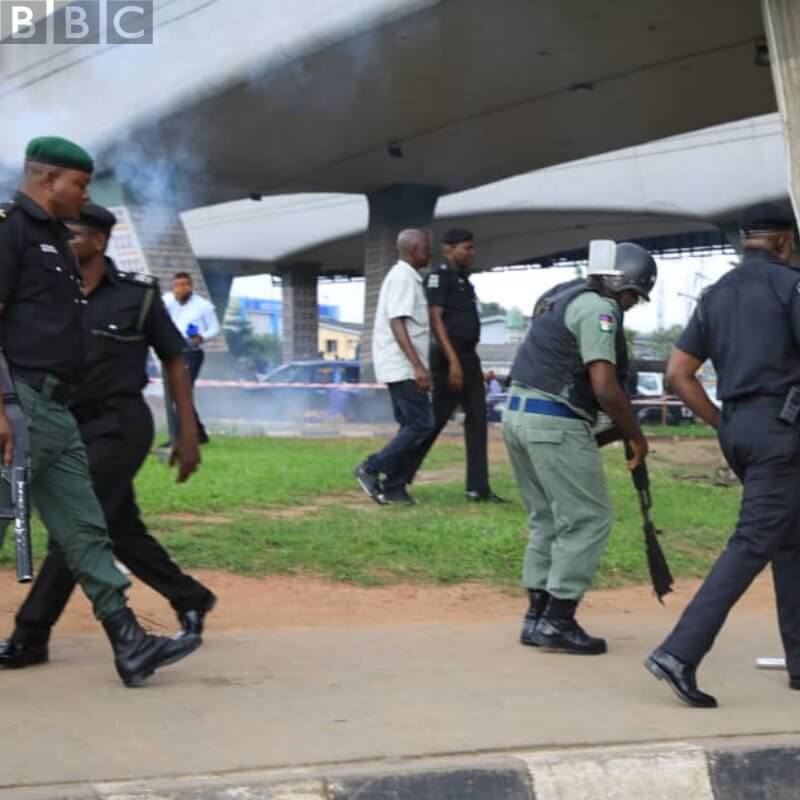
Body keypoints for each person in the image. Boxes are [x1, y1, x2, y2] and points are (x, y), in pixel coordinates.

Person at [0, 136, 200, 686]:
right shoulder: (9, 229)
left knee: (85, 533)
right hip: (21, 403)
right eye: (79, 184)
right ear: (47, 181)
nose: (84, 194)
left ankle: (131, 645)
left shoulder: (54, 242)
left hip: (60, 410)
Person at [646, 203, 800, 708]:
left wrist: (721, 421)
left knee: (789, 541)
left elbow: (679, 373)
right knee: (754, 541)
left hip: (739, 428)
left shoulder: (715, 295)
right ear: (783, 242)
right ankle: (679, 652)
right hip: (785, 430)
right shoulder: (791, 284)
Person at [503, 242, 655, 655]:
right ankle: (558, 620)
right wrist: (636, 436)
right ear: (621, 285)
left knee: (545, 518)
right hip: (553, 420)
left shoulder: (560, 296)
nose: (632, 306)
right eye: (633, 297)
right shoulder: (598, 310)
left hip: (517, 414)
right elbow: (605, 387)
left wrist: (613, 432)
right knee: (589, 518)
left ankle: (535, 618)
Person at [405, 229, 504, 503]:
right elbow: (436, 322)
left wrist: (467, 363)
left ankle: (478, 487)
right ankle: (398, 475)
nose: (471, 253)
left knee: (478, 422)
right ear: (448, 248)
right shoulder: (439, 278)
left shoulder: (464, 281)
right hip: (449, 358)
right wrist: (454, 363)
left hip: (468, 357)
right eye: (466, 248)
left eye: (472, 248)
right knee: (433, 421)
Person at [354, 229, 434, 505]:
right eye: (426, 247)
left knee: (410, 426)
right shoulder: (402, 278)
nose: (429, 252)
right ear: (413, 249)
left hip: (401, 365)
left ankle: (395, 487)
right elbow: (397, 322)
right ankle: (371, 467)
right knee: (421, 425)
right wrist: (418, 366)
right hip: (403, 367)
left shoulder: (407, 277)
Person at [162, 271, 221, 445]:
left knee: (181, 391)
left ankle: (179, 438)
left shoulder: (204, 306)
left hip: (191, 352)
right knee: (176, 393)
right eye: (176, 286)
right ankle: (198, 434)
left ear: (190, 286)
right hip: (172, 350)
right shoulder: (167, 301)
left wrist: (201, 337)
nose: (179, 289)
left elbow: (214, 328)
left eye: (183, 285)